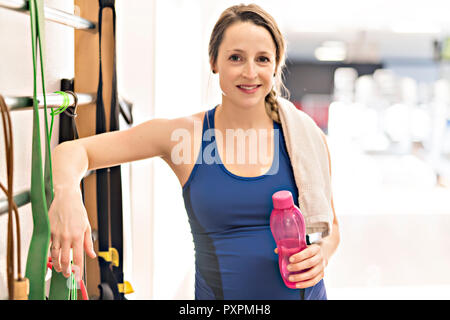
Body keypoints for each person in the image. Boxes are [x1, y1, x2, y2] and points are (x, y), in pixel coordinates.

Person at [48, 4, 340, 300]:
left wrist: (322, 253)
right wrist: (68, 194)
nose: (250, 72)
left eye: (262, 59)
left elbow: (332, 228)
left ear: (275, 66)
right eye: (236, 57)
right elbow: (74, 151)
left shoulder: (305, 138)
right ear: (214, 61)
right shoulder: (183, 137)